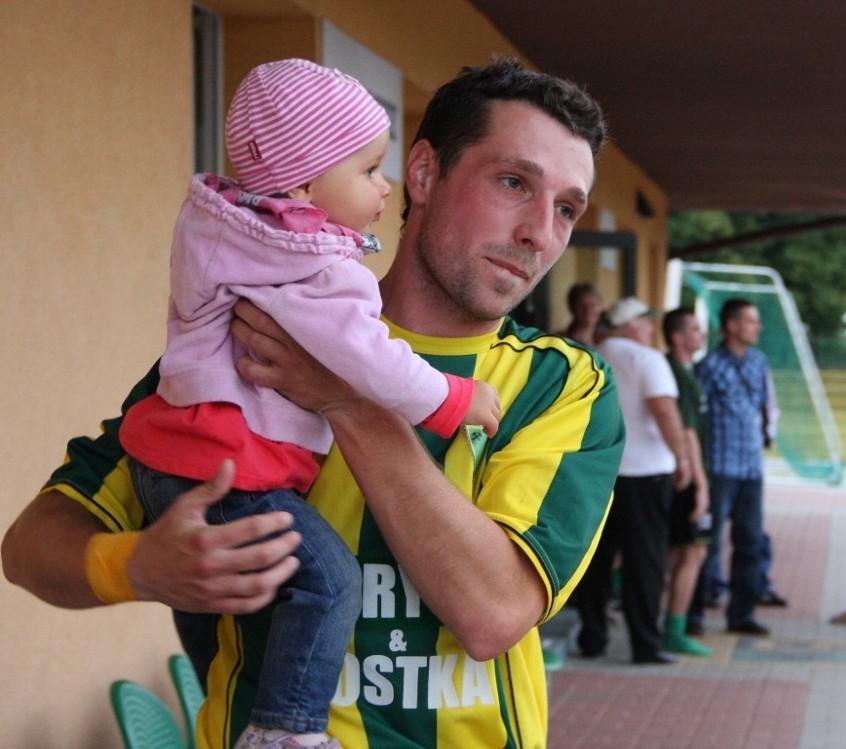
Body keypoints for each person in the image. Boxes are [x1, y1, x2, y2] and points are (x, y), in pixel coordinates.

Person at [2, 58, 625, 749]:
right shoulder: (242, 342)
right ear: (421, 173)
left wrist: (346, 399)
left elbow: (493, 610)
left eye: (566, 208)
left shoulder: (563, 384)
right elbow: (30, 545)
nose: (541, 231)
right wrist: (136, 565)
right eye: (514, 183)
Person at [118, 59, 500, 749]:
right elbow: (370, 359)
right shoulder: (315, 267)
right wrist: (452, 399)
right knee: (328, 582)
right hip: (228, 468)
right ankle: (285, 731)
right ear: (302, 184)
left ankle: (229, 703)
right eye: (365, 169)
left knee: (216, 603)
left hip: (163, 456)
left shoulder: (220, 229)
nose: (383, 186)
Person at [574, 297, 692, 664]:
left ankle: (592, 638)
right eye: (645, 321)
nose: (650, 328)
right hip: (646, 474)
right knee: (646, 561)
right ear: (629, 326)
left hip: (600, 472)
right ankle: (645, 643)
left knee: (596, 561)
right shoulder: (648, 359)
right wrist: (682, 456)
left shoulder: (595, 353)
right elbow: (664, 411)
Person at [693, 298, 776, 636]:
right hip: (719, 469)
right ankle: (693, 615)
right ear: (731, 325)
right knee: (707, 545)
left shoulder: (759, 362)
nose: (758, 327)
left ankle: (741, 615)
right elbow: (697, 419)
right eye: (751, 321)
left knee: (751, 543)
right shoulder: (709, 366)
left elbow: (761, 408)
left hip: (751, 469)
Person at [660, 308, 713, 656]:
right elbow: (688, 431)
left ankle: (659, 620)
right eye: (695, 329)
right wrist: (702, 483)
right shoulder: (678, 374)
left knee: (676, 551)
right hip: (686, 474)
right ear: (678, 337)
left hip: (675, 471)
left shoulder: (681, 370)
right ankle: (674, 628)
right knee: (693, 551)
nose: (702, 335)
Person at [563, 281, 603, 346]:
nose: (588, 310)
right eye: (581, 305)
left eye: (592, 305)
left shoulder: (603, 338)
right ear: (572, 307)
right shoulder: (563, 341)